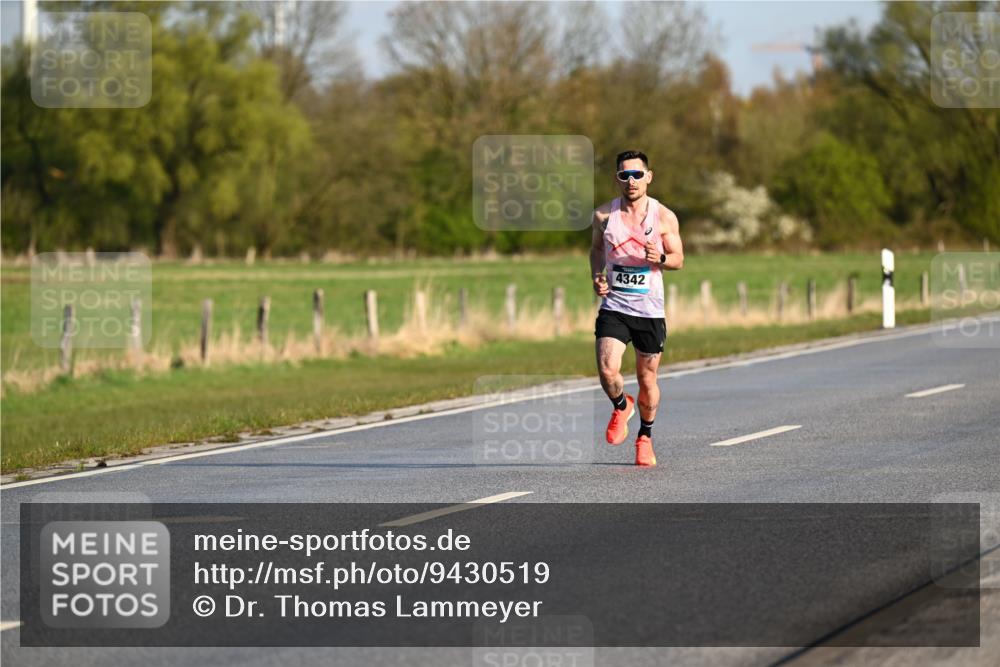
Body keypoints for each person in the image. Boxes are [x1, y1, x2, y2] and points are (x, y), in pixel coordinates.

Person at [589, 150, 684, 467]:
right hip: (615, 307)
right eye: (624, 175)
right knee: (607, 369)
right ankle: (620, 405)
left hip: (650, 312)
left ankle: (645, 436)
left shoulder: (664, 217)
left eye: (637, 175)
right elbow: (596, 251)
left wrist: (659, 258)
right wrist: (597, 277)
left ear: (649, 177)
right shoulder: (604, 216)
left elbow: (678, 260)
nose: (631, 181)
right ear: (617, 179)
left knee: (647, 379)